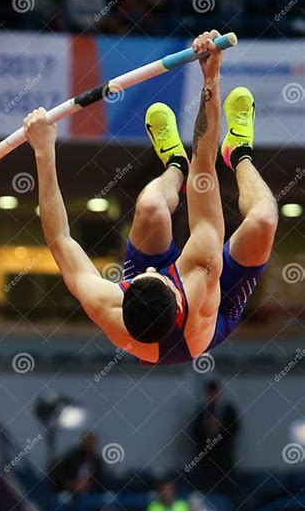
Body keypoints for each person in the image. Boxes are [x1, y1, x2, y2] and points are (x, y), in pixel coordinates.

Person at [23, 30, 278, 366]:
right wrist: (210, 75)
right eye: (157, 274)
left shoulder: (107, 305)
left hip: (163, 314)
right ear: (175, 293)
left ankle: (173, 163)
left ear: (125, 293)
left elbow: (59, 239)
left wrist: (43, 152)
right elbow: (205, 167)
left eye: (138, 278)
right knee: (263, 220)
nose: (156, 270)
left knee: (150, 207)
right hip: (211, 319)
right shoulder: (200, 277)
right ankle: (240, 151)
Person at [189, 379, 241, 496]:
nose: (213, 396)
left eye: (215, 393)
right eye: (210, 393)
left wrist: (220, 427)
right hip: (206, 459)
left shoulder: (228, 410)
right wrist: (207, 429)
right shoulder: (202, 411)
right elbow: (194, 432)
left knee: (226, 490)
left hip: (224, 459)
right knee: (207, 490)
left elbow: (236, 429)